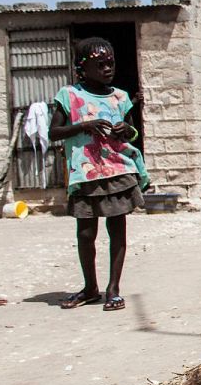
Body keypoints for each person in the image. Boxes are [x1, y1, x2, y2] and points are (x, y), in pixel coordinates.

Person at [49, 37, 149, 312]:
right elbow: (54, 132)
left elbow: (132, 132)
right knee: (85, 233)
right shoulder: (68, 95)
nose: (108, 68)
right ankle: (90, 287)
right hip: (85, 172)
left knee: (117, 230)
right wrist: (84, 125)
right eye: (100, 64)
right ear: (83, 68)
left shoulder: (120, 97)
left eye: (111, 63)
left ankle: (113, 288)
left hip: (118, 169)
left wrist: (124, 131)